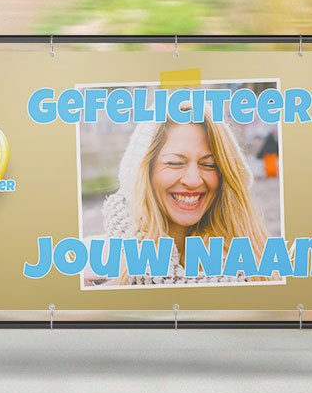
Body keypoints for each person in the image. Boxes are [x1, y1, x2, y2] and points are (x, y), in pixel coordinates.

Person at [91, 103, 269, 286]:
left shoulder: (260, 265)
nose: (193, 180)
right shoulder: (94, 270)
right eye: (175, 163)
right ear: (144, 173)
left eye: (209, 165)